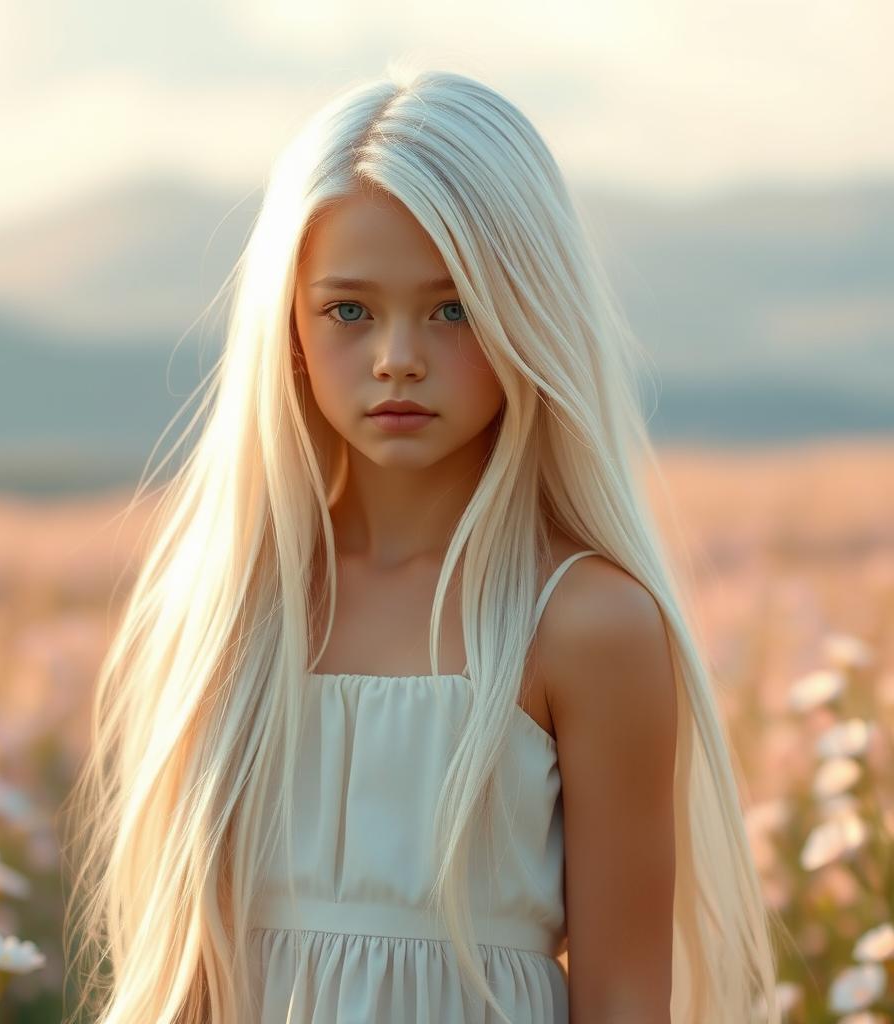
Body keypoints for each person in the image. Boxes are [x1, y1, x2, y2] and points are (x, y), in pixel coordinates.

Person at [63, 63, 784, 1023]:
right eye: (349, 310)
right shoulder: (227, 608)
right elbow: (191, 976)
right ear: (289, 329)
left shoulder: (584, 624)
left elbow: (621, 995)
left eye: (452, 309)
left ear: (529, 312)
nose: (398, 355)